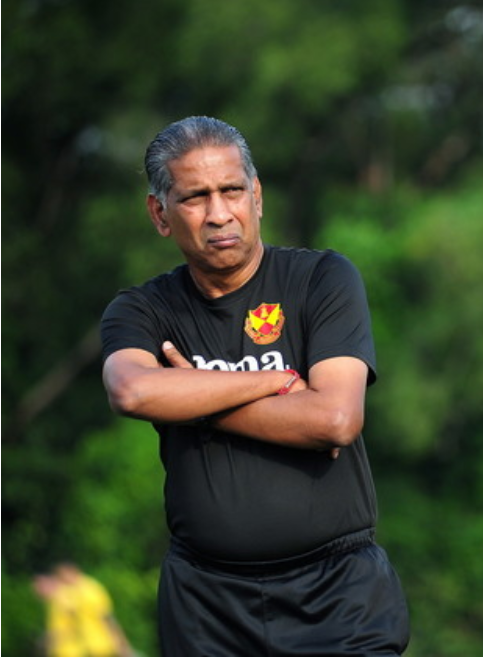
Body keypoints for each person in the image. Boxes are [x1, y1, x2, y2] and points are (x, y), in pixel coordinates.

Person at [100, 115, 409, 656]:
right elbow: (132, 392)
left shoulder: (323, 280)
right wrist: (278, 382)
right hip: (206, 606)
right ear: (160, 214)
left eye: (232, 191)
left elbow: (334, 419)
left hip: (338, 597)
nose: (219, 214)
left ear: (257, 196)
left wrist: (188, 395)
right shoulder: (142, 309)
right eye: (195, 197)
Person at [32, 562, 134, 657]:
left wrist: (122, 645)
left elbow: (106, 618)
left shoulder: (88, 590)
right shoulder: (66, 592)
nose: (37, 590)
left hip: (94, 648)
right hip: (86, 649)